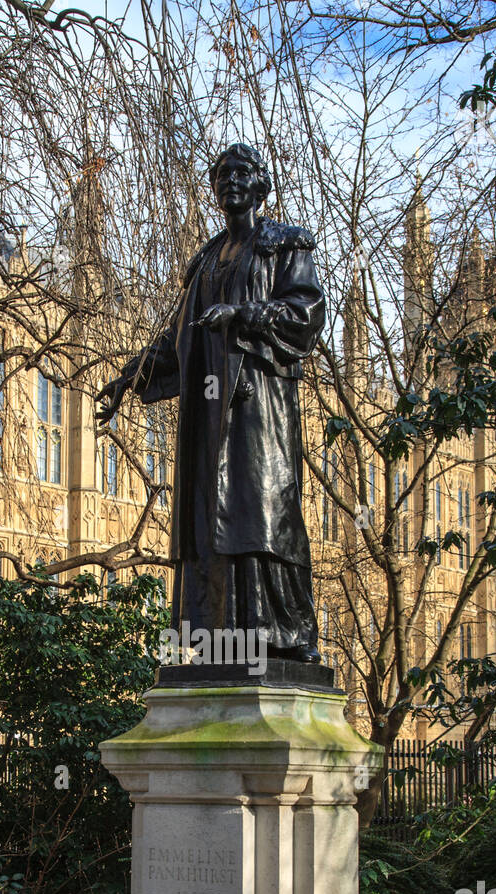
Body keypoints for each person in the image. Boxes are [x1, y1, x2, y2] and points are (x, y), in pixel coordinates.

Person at [96, 142, 325, 662]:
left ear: (261, 184)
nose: (230, 181)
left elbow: (306, 313)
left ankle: (276, 637)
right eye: (221, 174)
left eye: (241, 173)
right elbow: (177, 340)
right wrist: (129, 378)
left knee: (261, 516)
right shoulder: (203, 262)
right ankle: (217, 639)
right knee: (207, 524)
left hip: (257, 410)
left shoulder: (285, 245)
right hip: (207, 413)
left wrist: (244, 316)